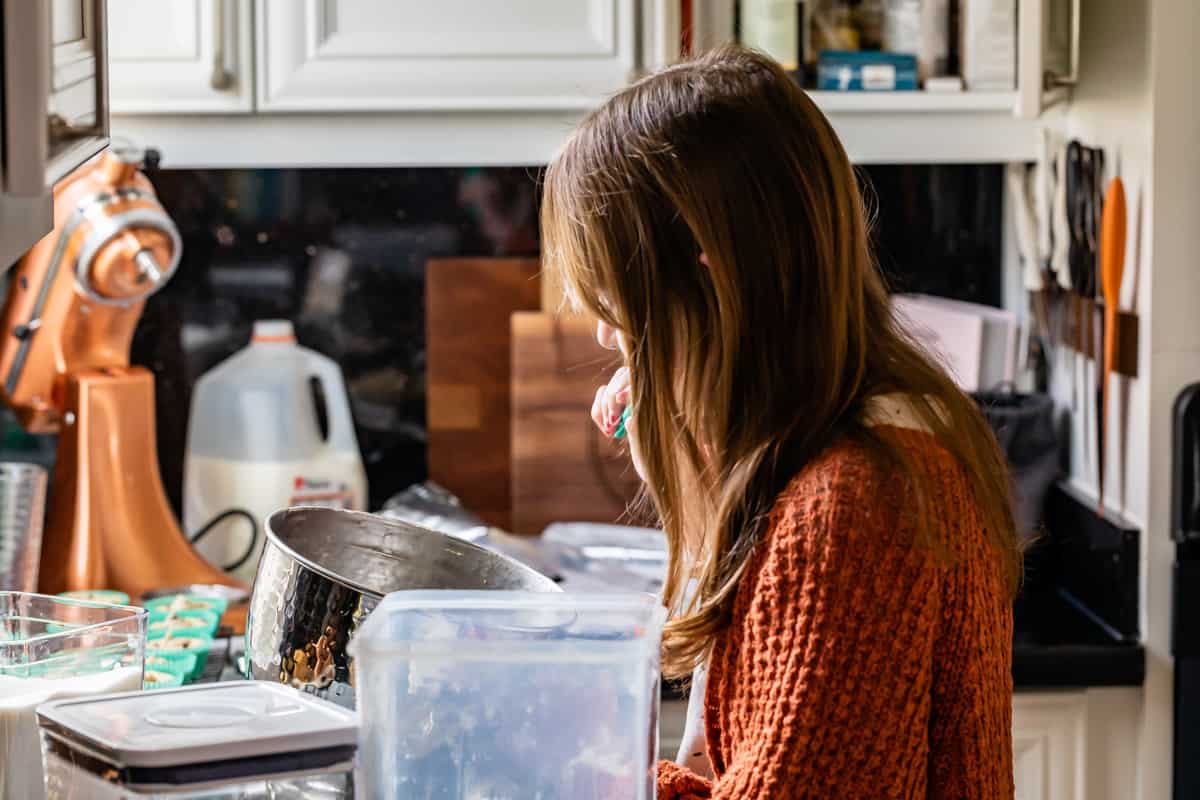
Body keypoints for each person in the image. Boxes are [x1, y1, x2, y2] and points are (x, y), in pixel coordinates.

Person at [540, 46, 1019, 799]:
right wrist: (695, 464)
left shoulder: (853, 505)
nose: (606, 335)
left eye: (616, 299)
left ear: (708, 269)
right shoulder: (831, 452)